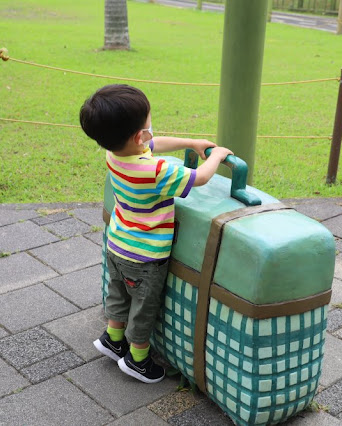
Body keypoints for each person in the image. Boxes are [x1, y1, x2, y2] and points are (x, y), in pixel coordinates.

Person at [80, 84, 233, 383]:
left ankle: (113, 338)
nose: (152, 134)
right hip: (146, 257)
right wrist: (218, 155)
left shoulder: (114, 155)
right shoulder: (155, 172)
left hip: (117, 244)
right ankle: (137, 359)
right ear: (139, 137)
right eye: (149, 128)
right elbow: (200, 178)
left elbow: (153, 143)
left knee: (119, 293)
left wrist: (191, 142)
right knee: (143, 307)